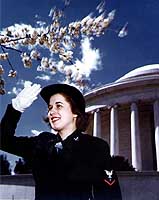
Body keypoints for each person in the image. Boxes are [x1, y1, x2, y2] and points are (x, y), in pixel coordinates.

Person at [0, 83, 122, 200]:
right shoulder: (41, 143)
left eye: (59, 106)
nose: (51, 112)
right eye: (50, 108)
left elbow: (110, 193)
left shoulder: (95, 146)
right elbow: (3, 141)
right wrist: (15, 108)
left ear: (75, 112)